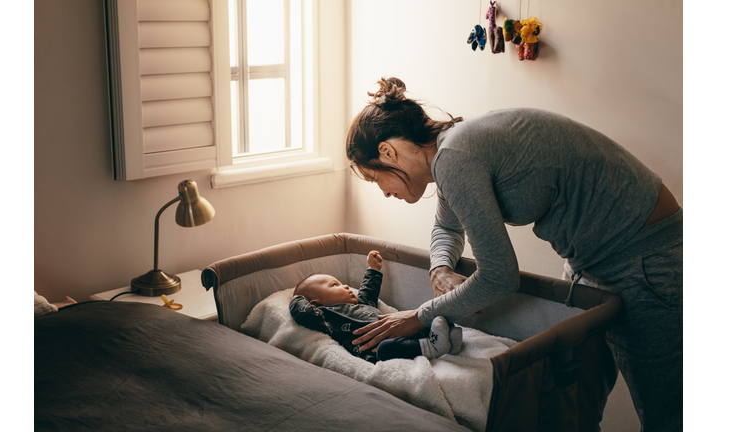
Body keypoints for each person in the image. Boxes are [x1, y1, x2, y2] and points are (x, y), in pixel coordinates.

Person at [345, 77, 682, 432]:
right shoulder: (449, 153)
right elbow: (446, 228)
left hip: (643, 253)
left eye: (374, 179)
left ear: (387, 152)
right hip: (592, 259)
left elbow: (500, 276)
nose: (382, 192)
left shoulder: (454, 158)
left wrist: (421, 315)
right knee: (573, 399)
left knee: (667, 411)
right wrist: (439, 267)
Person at [289, 250, 462, 364]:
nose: (346, 286)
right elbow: (304, 314)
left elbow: (368, 292)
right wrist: (296, 299)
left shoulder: (361, 303)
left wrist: (373, 268)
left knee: (426, 320)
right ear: (317, 304)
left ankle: (445, 342)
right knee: (386, 348)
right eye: (335, 285)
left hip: (398, 330)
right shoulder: (325, 317)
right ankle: (431, 347)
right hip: (377, 349)